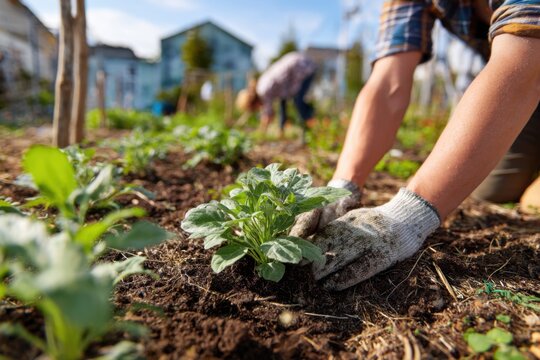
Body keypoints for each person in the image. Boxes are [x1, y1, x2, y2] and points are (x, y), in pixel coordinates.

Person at [290, 0, 540, 291]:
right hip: (527, 84)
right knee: (494, 192)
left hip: (528, 68)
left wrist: (409, 214)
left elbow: (525, 58)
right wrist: (344, 183)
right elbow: (389, 83)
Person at [236, 51, 316, 138]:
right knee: (289, 101)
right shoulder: (262, 87)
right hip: (297, 62)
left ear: (254, 103)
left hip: (302, 67)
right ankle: (294, 130)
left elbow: (269, 114)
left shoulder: (263, 92)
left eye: (255, 108)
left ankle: (313, 128)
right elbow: (282, 103)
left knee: (298, 102)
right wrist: (280, 129)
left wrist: (262, 130)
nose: (258, 108)